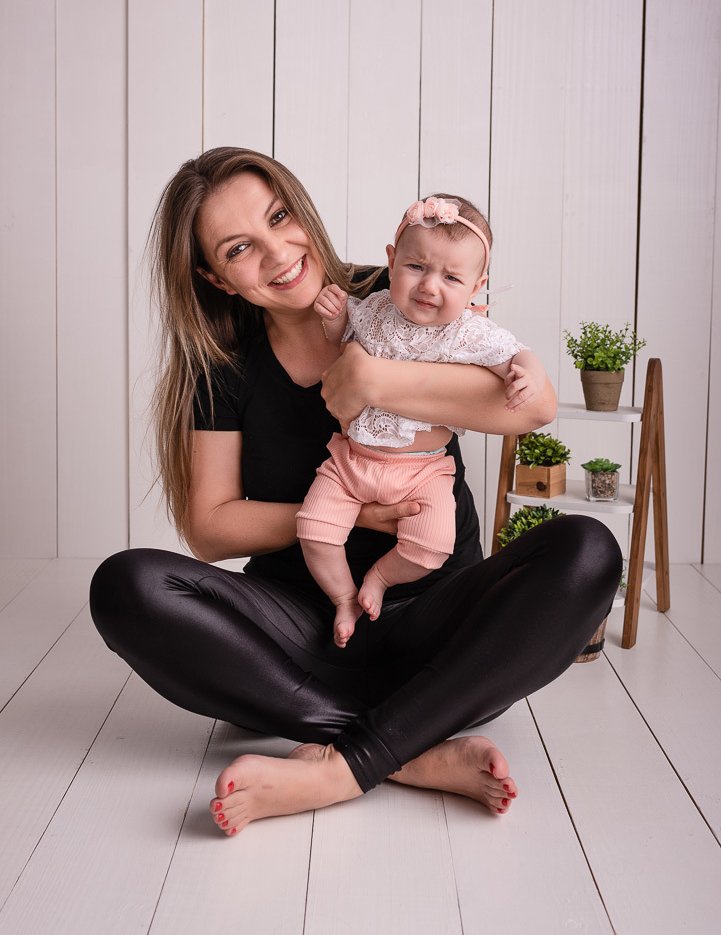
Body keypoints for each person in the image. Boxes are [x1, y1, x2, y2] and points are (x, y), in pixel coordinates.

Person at [89, 147, 622, 839]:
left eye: (279, 217)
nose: (279, 252)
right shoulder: (222, 369)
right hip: (301, 636)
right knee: (125, 585)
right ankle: (408, 748)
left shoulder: (399, 288)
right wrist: (354, 515)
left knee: (587, 550)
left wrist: (373, 381)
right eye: (240, 248)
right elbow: (210, 529)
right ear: (214, 278)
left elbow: (530, 408)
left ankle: (340, 765)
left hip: (440, 620)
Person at [297, 194, 548, 648]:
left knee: (432, 546)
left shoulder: (468, 332)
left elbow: (514, 354)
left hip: (423, 473)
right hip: (351, 461)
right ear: (391, 262)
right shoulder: (372, 308)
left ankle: (378, 579)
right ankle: (343, 598)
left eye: (451, 277)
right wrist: (334, 319)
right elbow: (343, 341)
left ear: (476, 287)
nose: (430, 286)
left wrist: (528, 373)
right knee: (313, 530)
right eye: (416, 267)